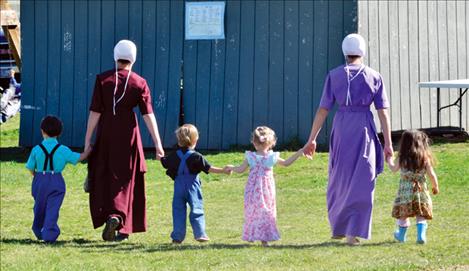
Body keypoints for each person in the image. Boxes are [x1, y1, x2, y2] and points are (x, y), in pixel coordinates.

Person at [303, 33, 393, 245]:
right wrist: (388, 143)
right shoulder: (374, 76)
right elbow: (383, 113)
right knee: (363, 179)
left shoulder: (334, 75)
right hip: (363, 129)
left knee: (339, 177)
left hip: (342, 127)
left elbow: (323, 110)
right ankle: (352, 232)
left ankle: (339, 226)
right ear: (362, 51)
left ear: (344, 51)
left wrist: (312, 139)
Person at [84, 40, 165, 242]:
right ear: (133, 58)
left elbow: (95, 112)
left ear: (115, 56)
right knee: (128, 179)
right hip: (129, 135)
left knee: (105, 175)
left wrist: (88, 140)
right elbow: (148, 114)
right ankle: (120, 220)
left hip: (106, 134)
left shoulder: (103, 79)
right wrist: (158, 143)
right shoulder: (139, 82)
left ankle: (111, 215)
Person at [226, 126, 304, 247]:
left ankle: (253, 234)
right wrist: (298, 153)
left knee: (253, 210)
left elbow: (240, 170)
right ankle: (264, 239)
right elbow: (286, 163)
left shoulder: (251, 157)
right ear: (271, 142)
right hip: (267, 189)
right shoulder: (271, 157)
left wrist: (231, 167)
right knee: (266, 211)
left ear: (254, 142)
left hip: (252, 189)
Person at [160, 124, 231, 244]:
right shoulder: (197, 156)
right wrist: (223, 171)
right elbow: (209, 168)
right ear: (195, 140)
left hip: (178, 187)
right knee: (196, 208)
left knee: (178, 211)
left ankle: (177, 237)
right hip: (193, 186)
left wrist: (161, 157)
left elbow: (165, 163)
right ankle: (200, 234)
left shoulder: (173, 155)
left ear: (179, 139)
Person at [25, 115, 91, 243]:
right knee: (52, 208)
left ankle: (38, 229)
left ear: (42, 131)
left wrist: (36, 176)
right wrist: (89, 150)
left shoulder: (36, 149)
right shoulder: (63, 150)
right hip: (56, 181)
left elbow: (30, 167)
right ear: (60, 132)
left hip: (39, 180)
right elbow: (79, 158)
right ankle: (49, 234)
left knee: (39, 206)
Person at [386, 130, 439, 244]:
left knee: (403, 214)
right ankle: (421, 236)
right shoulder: (424, 158)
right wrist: (435, 187)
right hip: (421, 191)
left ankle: (401, 235)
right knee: (421, 213)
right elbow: (432, 175)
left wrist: (389, 160)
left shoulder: (402, 157)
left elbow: (394, 169)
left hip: (405, 192)